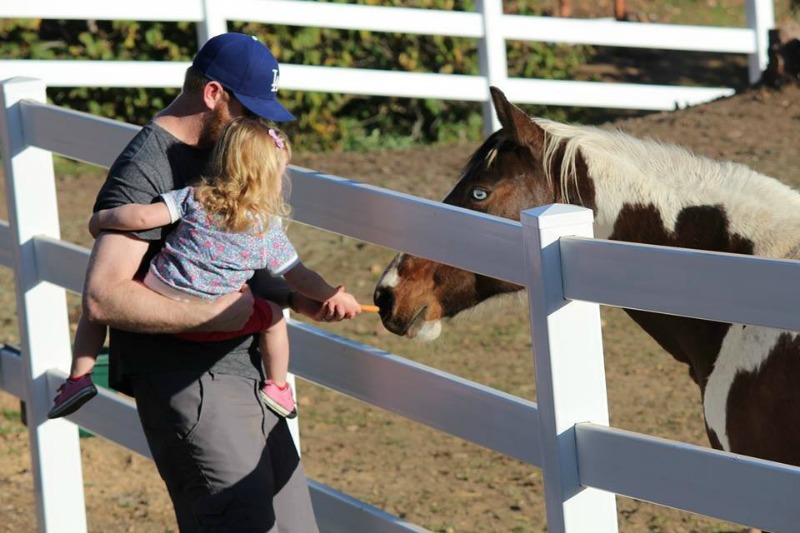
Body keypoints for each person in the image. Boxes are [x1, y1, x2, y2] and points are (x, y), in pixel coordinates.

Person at [62, 32, 336, 531]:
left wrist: (295, 297)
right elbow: (104, 297)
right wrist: (216, 314)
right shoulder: (148, 167)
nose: (257, 124)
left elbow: (237, 258)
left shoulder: (229, 152)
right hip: (187, 380)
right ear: (213, 94)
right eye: (248, 109)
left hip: (246, 372)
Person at [48, 119, 362, 421]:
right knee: (274, 320)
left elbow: (142, 218)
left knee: (96, 309)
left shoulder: (195, 196)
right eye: (281, 172)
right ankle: (277, 387)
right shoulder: (267, 232)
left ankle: (78, 377)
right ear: (267, 177)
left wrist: (101, 220)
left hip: (157, 292)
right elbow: (301, 277)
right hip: (213, 316)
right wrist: (334, 295)